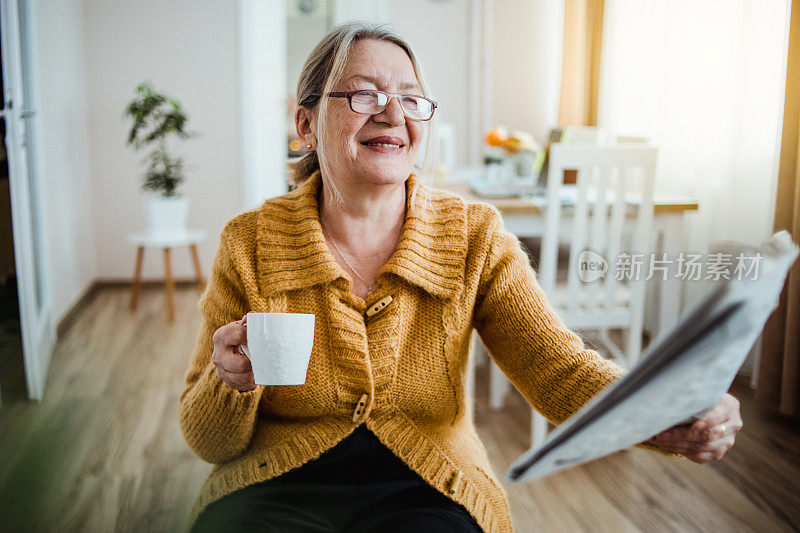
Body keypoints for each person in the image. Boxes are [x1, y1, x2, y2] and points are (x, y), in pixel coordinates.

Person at [179, 21, 743, 533]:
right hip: (278, 483)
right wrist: (230, 383)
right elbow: (208, 440)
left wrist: (666, 408)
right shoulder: (250, 242)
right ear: (305, 123)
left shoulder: (473, 234)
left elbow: (557, 370)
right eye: (364, 93)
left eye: (410, 98)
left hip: (427, 484)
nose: (392, 113)